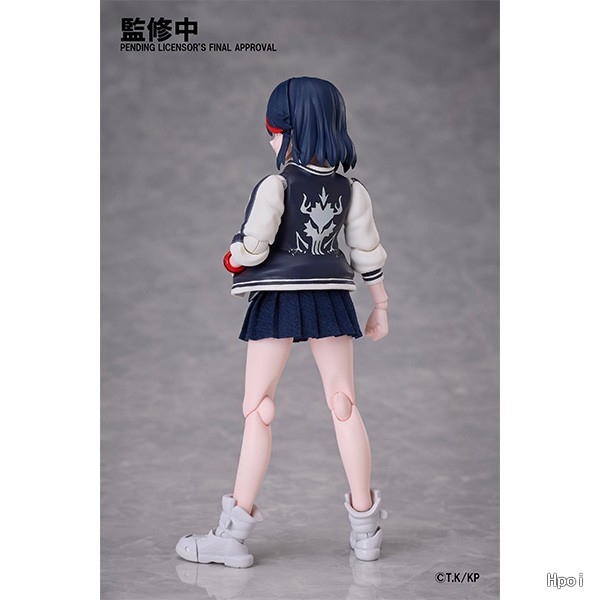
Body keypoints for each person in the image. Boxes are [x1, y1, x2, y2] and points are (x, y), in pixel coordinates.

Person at [176, 77, 389, 568]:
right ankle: (366, 530)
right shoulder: (351, 190)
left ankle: (232, 536)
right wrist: (380, 304)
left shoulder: (277, 185)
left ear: (290, 131)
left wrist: (232, 258)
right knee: (343, 403)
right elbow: (367, 251)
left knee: (259, 408)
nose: (271, 141)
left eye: (274, 132)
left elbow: (254, 246)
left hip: (278, 299)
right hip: (331, 297)